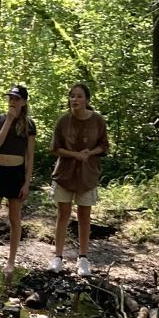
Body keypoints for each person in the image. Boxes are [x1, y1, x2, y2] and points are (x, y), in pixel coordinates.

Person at [50, 83, 109, 275]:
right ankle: (57, 257)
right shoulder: (63, 121)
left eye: (79, 96)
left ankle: (83, 258)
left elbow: (104, 145)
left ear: (87, 100)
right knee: (63, 214)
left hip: (87, 174)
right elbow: (55, 148)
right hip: (64, 173)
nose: (74, 99)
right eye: (72, 96)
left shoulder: (98, 120)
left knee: (84, 216)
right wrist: (74, 155)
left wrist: (89, 153)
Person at [0, 85, 36, 271]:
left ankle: (11, 262)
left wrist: (27, 182)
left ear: (23, 102)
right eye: (10, 98)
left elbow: (30, 156)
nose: (12, 102)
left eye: (16, 99)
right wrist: (9, 120)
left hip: (16, 174)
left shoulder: (29, 125)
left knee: (15, 219)